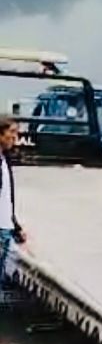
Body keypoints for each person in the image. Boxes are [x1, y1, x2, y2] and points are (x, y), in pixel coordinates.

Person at [0, 117, 28, 286]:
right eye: (11, 132)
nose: (15, 137)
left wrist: (16, 226)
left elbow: (6, 199)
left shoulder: (5, 160)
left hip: (5, 229)